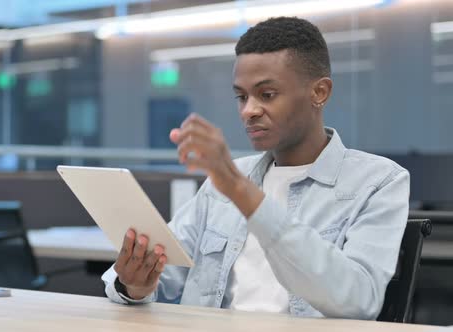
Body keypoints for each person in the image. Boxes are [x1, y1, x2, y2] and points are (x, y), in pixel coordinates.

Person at [102, 16, 410, 320]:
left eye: (267, 94)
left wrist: (242, 192)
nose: (249, 110)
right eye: (241, 96)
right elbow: (160, 274)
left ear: (319, 92)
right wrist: (134, 285)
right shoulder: (225, 182)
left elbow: (358, 300)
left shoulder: (379, 182)